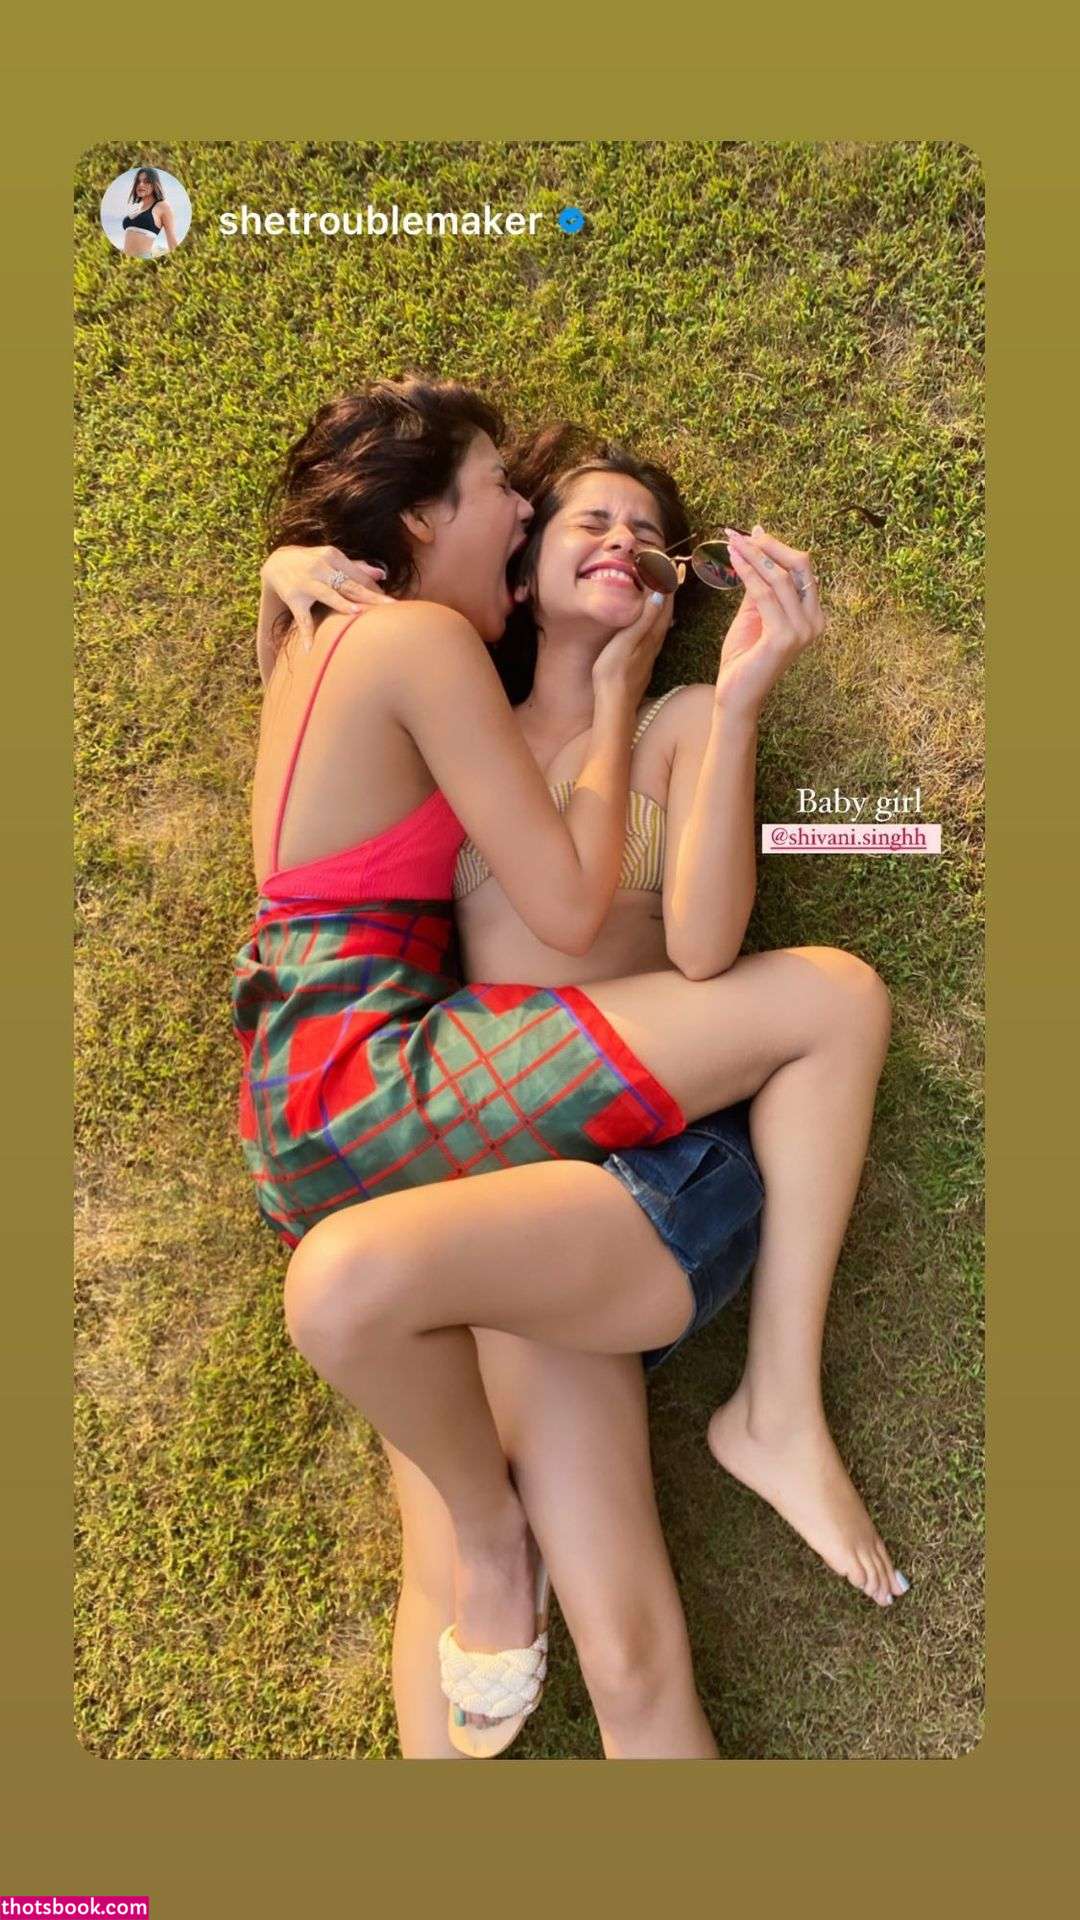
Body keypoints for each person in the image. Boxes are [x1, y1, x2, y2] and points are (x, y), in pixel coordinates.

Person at [239, 382, 907, 1757]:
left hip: (607, 1167)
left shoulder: (674, 723)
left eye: (647, 534)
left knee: (630, 1645)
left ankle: (777, 1407)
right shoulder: (453, 699)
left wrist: (728, 705)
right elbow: (331, 703)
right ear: (521, 567)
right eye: (574, 518)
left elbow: (708, 948)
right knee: (449, 1593)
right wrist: (290, 568)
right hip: (467, 1159)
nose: (616, 541)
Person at [121, 167, 176, 256]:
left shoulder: (162, 206)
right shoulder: (137, 209)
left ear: (155, 184)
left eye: (146, 182)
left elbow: (171, 239)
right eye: (138, 181)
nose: (141, 184)